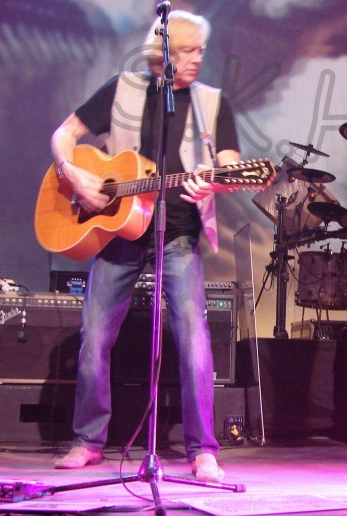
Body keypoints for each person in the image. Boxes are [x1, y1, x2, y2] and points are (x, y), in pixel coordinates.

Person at [50, 10, 243, 482]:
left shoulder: (212, 103)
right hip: (117, 234)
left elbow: (230, 164)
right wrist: (72, 174)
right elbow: (64, 135)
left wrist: (216, 181)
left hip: (178, 235)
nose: (198, 58)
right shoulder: (122, 90)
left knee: (194, 340)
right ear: (162, 54)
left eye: (200, 50)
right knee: (95, 337)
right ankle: (88, 440)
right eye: (188, 50)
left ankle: (203, 450)